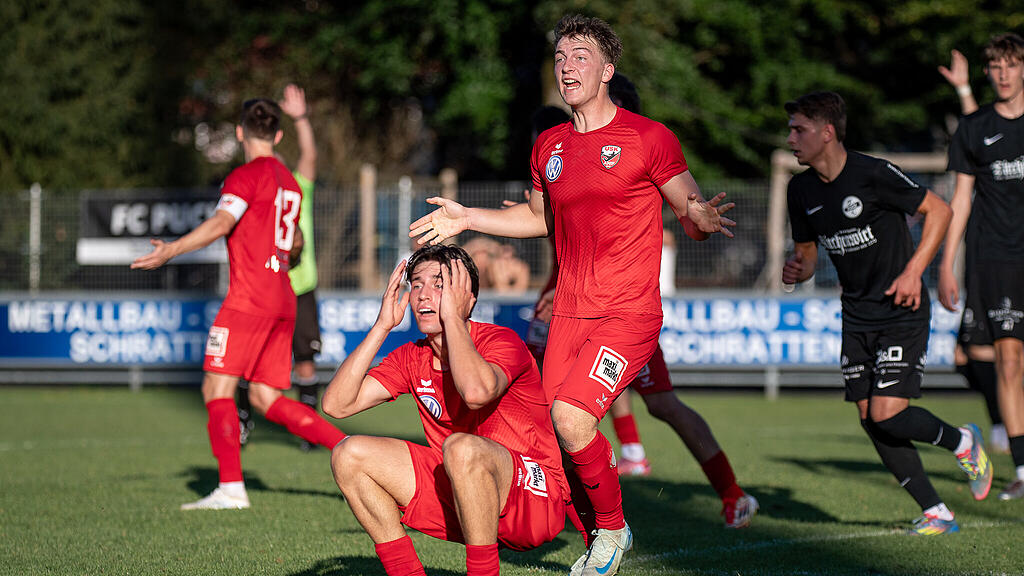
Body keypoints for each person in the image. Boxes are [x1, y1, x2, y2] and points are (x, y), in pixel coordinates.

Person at [410, 15, 733, 576]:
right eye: (560, 58)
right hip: (569, 313)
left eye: (580, 56)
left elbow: (691, 210)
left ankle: (610, 531)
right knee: (555, 435)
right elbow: (538, 219)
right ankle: (601, 533)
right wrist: (466, 219)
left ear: (608, 69)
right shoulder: (549, 147)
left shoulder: (648, 137)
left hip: (628, 312)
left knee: (573, 417)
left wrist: (700, 217)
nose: (567, 66)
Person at [527, 75, 758, 530]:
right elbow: (562, 234)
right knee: (565, 407)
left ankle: (727, 492)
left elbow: (685, 217)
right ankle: (606, 487)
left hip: (624, 310)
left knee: (657, 404)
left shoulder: (638, 149)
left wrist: (698, 221)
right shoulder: (563, 154)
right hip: (577, 304)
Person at [783, 91, 991, 535]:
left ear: (827, 133)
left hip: (902, 309)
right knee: (868, 417)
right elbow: (804, 256)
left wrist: (915, 271)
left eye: (798, 129)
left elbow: (940, 210)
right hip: (855, 316)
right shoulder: (798, 189)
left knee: (887, 412)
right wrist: (796, 269)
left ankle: (964, 443)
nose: (791, 139)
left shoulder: (872, 173)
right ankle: (937, 512)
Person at [131, 98, 346, 510]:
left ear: (240, 132)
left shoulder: (246, 176)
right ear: (278, 135)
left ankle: (231, 488)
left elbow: (222, 223)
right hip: (284, 295)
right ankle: (348, 446)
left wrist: (171, 249)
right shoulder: (289, 180)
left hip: (250, 298)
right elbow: (296, 240)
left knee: (216, 386)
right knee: (266, 399)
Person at [322, 244, 570, 576]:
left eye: (440, 284)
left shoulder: (501, 341)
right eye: (417, 284)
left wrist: (452, 317)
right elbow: (336, 405)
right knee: (348, 454)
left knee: (461, 447)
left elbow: (476, 393)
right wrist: (382, 326)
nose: (424, 294)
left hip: (534, 499)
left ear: (468, 298)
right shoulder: (412, 356)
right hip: (465, 493)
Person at [939, 33, 1024, 500]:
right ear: (988, 72)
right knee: (1006, 359)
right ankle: (1022, 466)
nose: (1004, 73)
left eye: (1012, 64)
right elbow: (962, 199)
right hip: (995, 259)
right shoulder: (974, 129)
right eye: (996, 66)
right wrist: (947, 265)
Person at [236, 83, 324, 451]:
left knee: (304, 360)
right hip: (264, 286)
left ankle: (308, 428)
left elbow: (309, 156)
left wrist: (301, 118)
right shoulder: (256, 185)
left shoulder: (296, 185)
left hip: (298, 285)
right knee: (245, 362)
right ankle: (242, 422)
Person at [937, 50, 1007, 454]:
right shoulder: (986, 132)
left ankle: (1004, 426)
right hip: (987, 255)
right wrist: (963, 88)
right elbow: (981, 132)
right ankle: (1002, 424)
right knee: (967, 353)